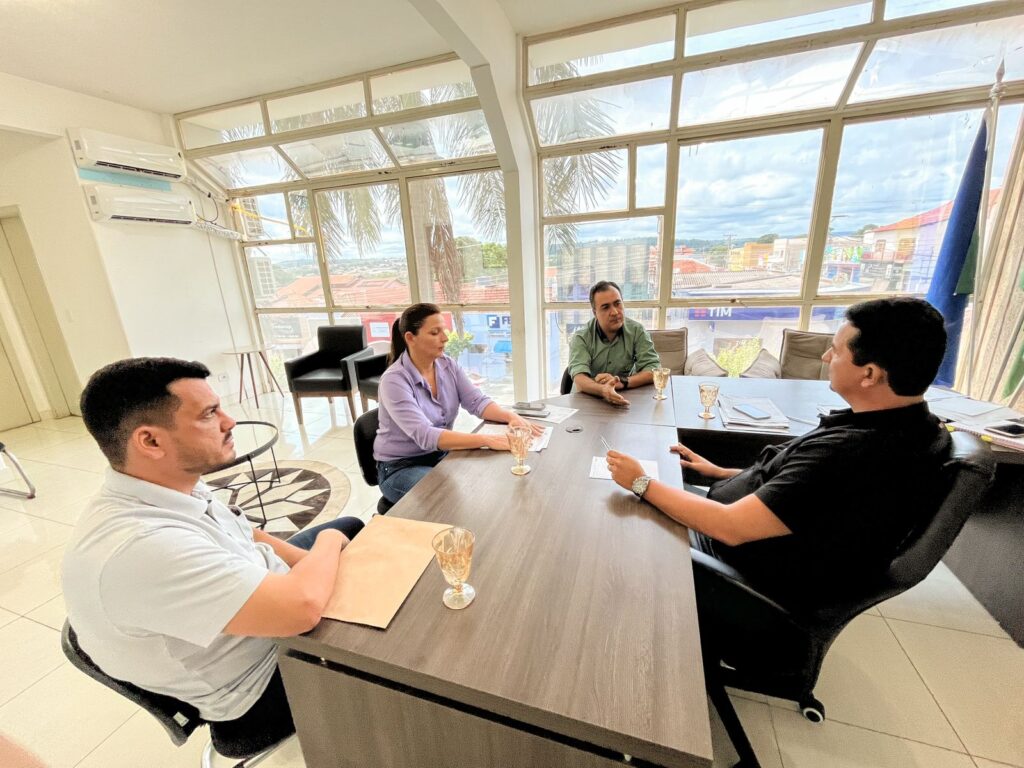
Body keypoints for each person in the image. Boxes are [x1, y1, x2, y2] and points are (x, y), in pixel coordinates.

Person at [63, 358, 365, 754]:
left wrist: (308, 559)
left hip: (262, 595)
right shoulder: (140, 548)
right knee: (396, 635)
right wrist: (326, 543)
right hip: (258, 686)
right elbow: (302, 609)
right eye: (209, 414)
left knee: (351, 529)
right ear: (150, 441)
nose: (229, 421)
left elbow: (245, 531)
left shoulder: (168, 483)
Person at [607, 297, 951, 605]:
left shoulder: (850, 453)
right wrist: (722, 473)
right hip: (754, 533)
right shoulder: (908, 428)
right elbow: (801, 494)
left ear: (870, 374)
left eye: (836, 351)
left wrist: (641, 482)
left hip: (733, 566)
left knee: (616, 526)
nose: (825, 357)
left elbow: (730, 526)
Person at [374, 303, 543, 504]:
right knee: (448, 498)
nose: (445, 338)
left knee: (490, 478)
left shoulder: (447, 364)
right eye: (435, 332)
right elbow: (425, 435)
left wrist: (511, 417)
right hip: (401, 467)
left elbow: (477, 402)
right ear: (410, 338)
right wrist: (487, 440)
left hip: (440, 455)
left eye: (444, 330)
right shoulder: (394, 380)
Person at [567, 280, 661, 406]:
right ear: (595, 313)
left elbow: (654, 370)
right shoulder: (581, 337)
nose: (615, 312)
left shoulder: (637, 331)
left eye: (617, 304)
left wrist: (623, 382)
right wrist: (603, 390)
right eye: (606, 307)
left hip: (620, 398)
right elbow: (579, 379)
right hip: (585, 401)